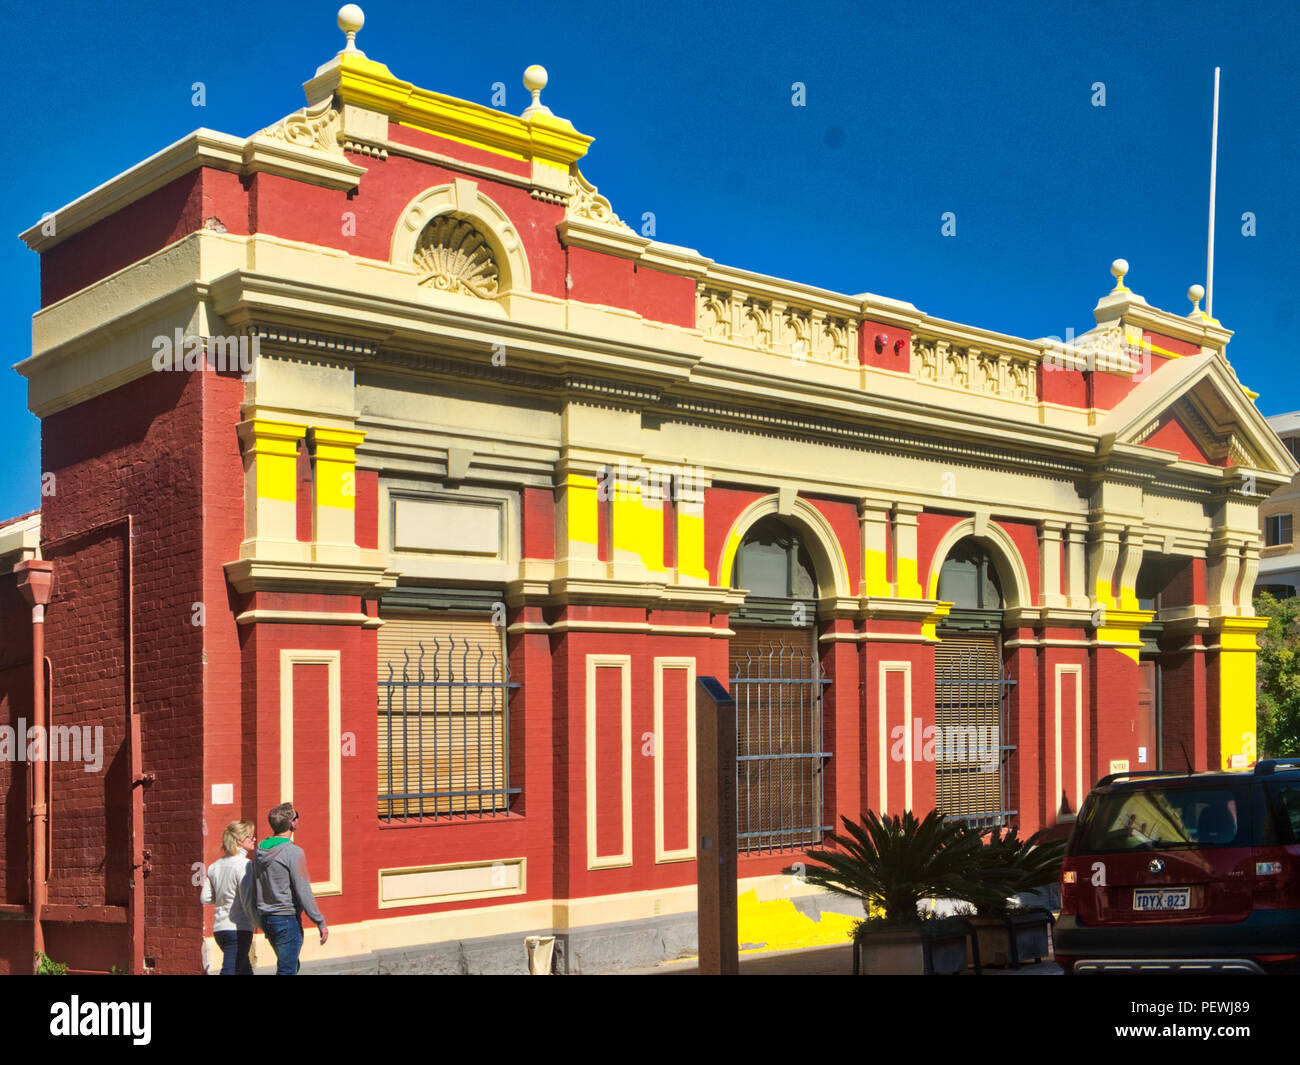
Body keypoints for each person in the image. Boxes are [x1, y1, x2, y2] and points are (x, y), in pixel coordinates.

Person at [253, 803, 328, 975]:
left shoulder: (259, 851)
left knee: (291, 965)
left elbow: (254, 884)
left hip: (267, 918)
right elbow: (303, 889)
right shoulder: (294, 853)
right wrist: (320, 921)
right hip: (287, 918)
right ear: (291, 824)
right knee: (287, 970)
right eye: (296, 816)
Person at [200, 819, 258, 975]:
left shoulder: (214, 866)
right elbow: (247, 899)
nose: (254, 839)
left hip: (220, 929)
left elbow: (205, 898)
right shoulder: (245, 865)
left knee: (244, 969)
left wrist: (223, 897)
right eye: (250, 836)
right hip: (238, 928)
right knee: (230, 970)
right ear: (239, 840)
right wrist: (259, 921)